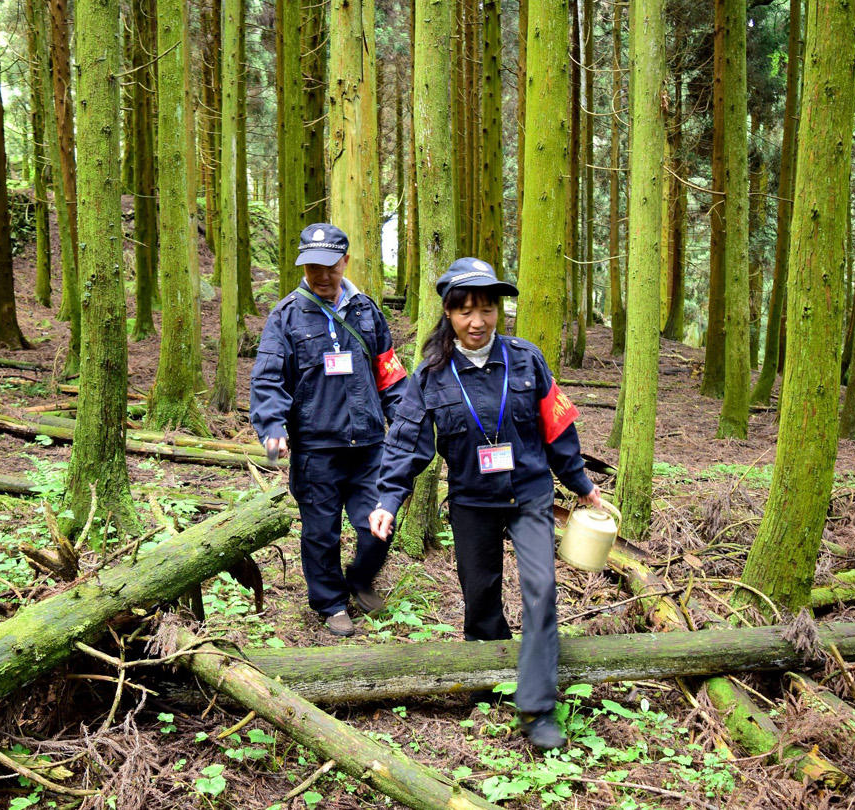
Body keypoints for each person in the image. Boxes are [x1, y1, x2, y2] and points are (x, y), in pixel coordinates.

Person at [368, 257, 601, 751]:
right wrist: (388, 498)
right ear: (449, 314)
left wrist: (580, 482)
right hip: (472, 500)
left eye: (487, 309)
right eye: (466, 311)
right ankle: (489, 677)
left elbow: (557, 426)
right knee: (481, 599)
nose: (478, 322)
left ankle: (538, 708)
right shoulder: (431, 375)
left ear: (499, 310)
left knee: (541, 588)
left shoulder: (526, 359)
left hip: (529, 493)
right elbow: (408, 441)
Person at [251, 223, 409, 638]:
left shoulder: (367, 311)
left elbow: (389, 374)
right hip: (315, 449)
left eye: (329, 267)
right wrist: (272, 425)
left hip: (369, 446)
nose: (321, 276)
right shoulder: (285, 316)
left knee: (377, 524)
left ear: (345, 261)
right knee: (321, 532)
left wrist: (406, 422)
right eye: (312, 268)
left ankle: (360, 578)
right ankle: (331, 602)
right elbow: (268, 379)